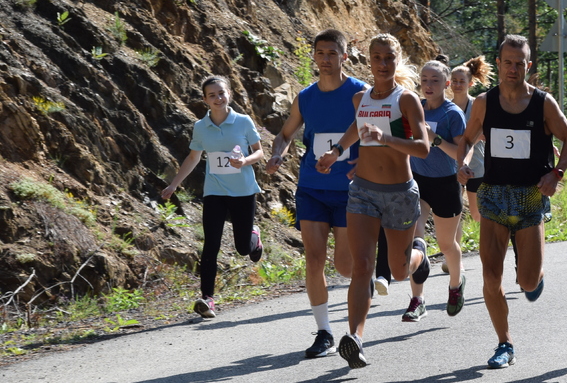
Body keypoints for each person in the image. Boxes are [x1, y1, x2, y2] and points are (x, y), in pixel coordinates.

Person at [457, 34, 567, 369]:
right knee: (490, 278)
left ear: (528, 65)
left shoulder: (543, 103)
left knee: (527, 282)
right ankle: (504, 343)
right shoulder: (484, 102)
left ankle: (532, 272)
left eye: (519, 63)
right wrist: (462, 163)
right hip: (494, 196)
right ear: (498, 64)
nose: (513, 68)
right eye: (507, 62)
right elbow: (466, 138)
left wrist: (556, 173)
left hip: (530, 197)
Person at [316, 33, 431, 369]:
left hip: (399, 193)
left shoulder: (406, 100)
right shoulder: (360, 98)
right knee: (363, 266)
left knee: (397, 270)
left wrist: (386, 138)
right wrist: (336, 151)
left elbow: (423, 148)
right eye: (377, 58)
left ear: (397, 60)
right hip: (363, 191)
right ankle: (355, 338)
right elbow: (357, 127)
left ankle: (419, 254)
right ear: (369, 60)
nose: (383, 64)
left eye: (389, 58)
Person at [265, 29, 367, 358]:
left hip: (349, 190)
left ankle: (364, 275)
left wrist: (364, 162)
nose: (325, 59)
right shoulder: (306, 97)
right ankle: (324, 333)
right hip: (311, 186)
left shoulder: (359, 93)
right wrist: (278, 154)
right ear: (314, 56)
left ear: (344, 56)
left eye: (332, 53)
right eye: (320, 53)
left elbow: (374, 134)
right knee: (314, 258)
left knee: (346, 266)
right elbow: (285, 134)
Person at [161, 76, 264, 319]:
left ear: (229, 94)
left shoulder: (243, 121)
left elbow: (259, 152)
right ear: (205, 100)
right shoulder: (200, 127)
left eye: (221, 93)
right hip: (215, 191)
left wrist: (244, 161)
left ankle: (253, 237)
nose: (218, 98)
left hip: (243, 191)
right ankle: (208, 299)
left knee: (242, 248)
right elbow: (193, 157)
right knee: (211, 245)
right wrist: (174, 184)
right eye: (212, 95)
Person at [402, 60, 469, 321]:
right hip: (417, 181)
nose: (428, 85)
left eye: (435, 80)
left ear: (446, 84)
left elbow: (460, 153)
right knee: (415, 241)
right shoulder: (415, 108)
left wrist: (436, 139)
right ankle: (417, 300)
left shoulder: (452, 114)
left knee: (446, 244)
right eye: (424, 80)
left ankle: (456, 285)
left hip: (446, 183)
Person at [450, 57, 494, 225]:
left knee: (477, 214)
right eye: (454, 80)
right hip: (453, 167)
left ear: (470, 83)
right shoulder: (447, 107)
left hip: (477, 166)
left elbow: (487, 133)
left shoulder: (478, 105)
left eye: (462, 81)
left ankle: (490, 240)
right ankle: (454, 242)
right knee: (453, 212)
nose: (457, 84)